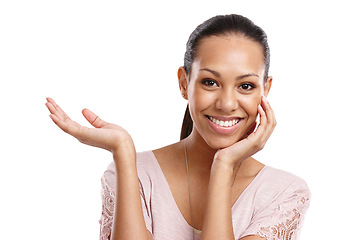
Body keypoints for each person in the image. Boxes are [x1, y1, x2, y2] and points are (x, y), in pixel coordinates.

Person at [46, 14, 310, 240]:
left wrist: (223, 166)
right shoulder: (134, 175)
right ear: (184, 83)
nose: (227, 103)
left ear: (266, 89)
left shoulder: (284, 193)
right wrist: (123, 152)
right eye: (210, 82)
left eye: (245, 86)